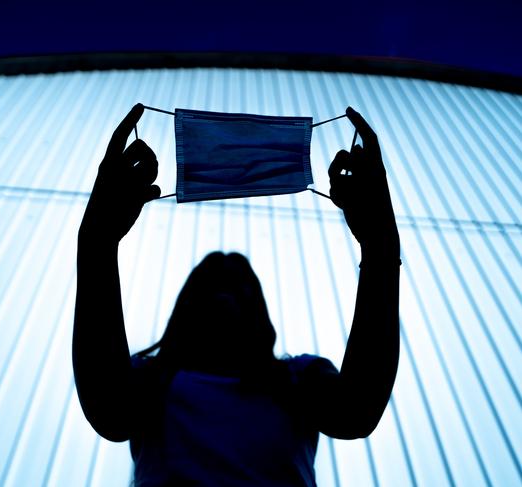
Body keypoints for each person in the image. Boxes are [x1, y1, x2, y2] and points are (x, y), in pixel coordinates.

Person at [73, 103, 400, 486]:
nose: (226, 291)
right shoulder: (151, 382)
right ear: (185, 310)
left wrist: (380, 243)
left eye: (240, 284)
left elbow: (357, 410)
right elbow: (107, 407)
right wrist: (97, 238)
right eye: (211, 283)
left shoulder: (297, 380)